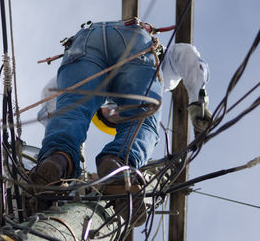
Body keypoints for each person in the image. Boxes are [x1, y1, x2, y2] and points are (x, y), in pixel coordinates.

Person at [29, 20, 212, 204]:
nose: (117, 113)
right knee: (142, 117)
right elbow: (186, 55)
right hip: (133, 41)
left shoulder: (93, 83)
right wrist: (198, 100)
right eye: (115, 116)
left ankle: (58, 161)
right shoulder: (163, 70)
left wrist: (61, 148)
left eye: (112, 116)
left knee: (71, 109)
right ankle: (119, 162)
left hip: (84, 42)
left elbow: (53, 99)